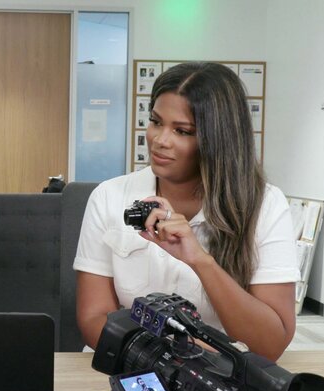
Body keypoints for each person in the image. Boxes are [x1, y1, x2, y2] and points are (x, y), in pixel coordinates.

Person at [74, 62, 299, 361]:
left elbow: (270, 344)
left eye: (182, 131)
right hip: (127, 368)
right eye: (155, 122)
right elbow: (94, 319)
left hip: (218, 381)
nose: (159, 140)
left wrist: (200, 261)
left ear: (218, 140)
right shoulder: (108, 197)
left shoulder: (266, 205)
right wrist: (183, 354)